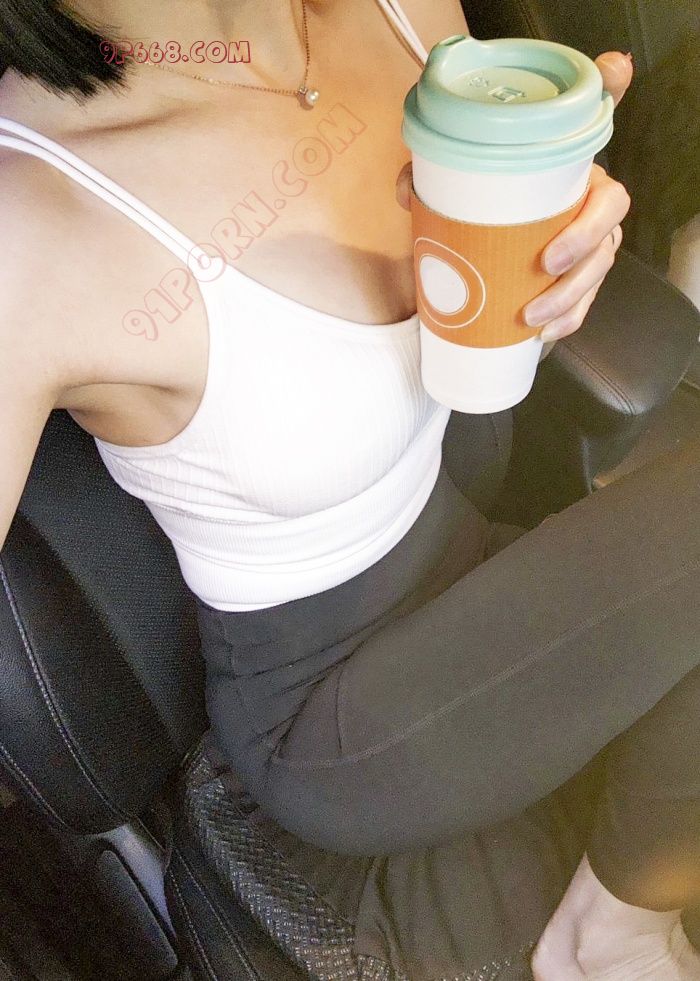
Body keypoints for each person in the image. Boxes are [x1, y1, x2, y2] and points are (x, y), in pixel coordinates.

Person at [0, 1, 698, 978]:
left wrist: (565, 238)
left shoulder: (400, 10)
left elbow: (482, 299)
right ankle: (609, 935)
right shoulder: (31, 220)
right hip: (328, 715)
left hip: (473, 556)